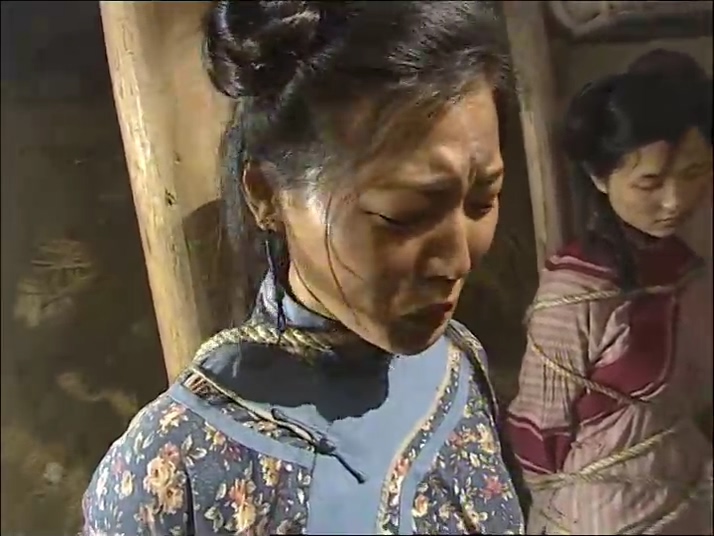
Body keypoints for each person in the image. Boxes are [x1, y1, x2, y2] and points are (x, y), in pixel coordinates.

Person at [81, 2, 528, 534]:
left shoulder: (458, 363)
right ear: (267, 195)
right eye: (403, 214)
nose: (458, 260)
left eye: (483, 200)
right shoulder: (172, 474)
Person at [506, 49, 713, 535]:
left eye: (694, 173)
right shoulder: (575, 290)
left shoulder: (689, 272)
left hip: (689, 495)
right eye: (649, 182)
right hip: (601, 514)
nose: (675, 200)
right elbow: (538, 435)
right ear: (601, 177)